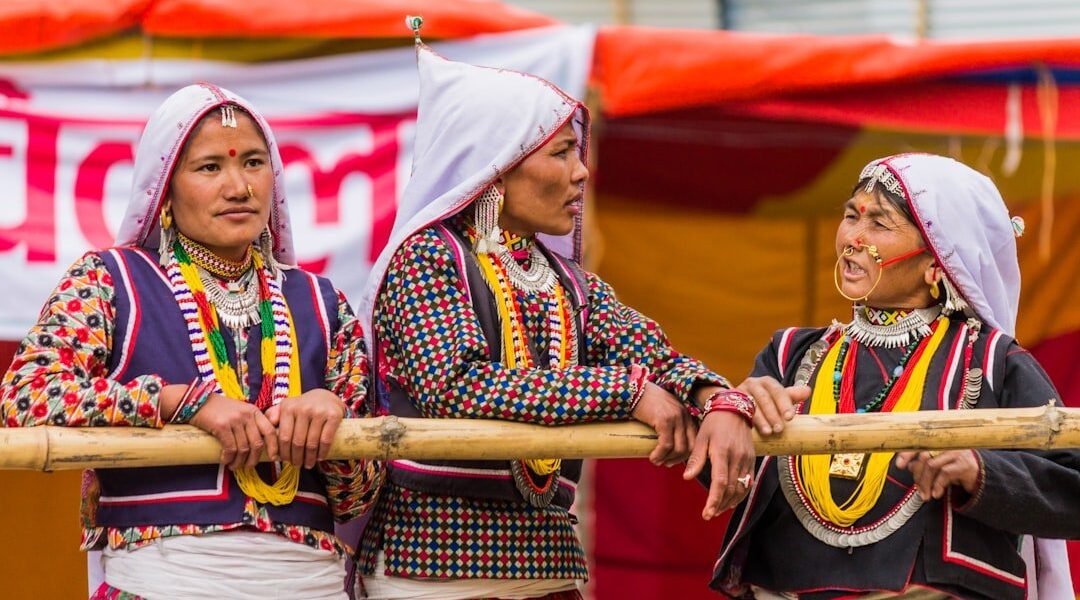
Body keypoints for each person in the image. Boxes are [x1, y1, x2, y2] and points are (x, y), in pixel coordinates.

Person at [351, 31, 756, 600]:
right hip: (433, 567)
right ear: (498, 167)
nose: (582, 172)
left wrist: (716, 399)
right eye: (561, 153)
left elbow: (653, 357)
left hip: (549, 568)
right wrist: (626, 392)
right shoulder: (428, 258)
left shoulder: (568, 282)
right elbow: (457, 387)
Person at [0, 84, 383, 600]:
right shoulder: (110, 282)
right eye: (209, 168)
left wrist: (331, 417)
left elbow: (358, 495)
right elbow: (24, 399)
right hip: (162, 584)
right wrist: (177, 403)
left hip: (307, 585)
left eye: (253, 163)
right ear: (165, 188)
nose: (238, 187)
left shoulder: (322, 303)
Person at [697, 153, 1080, 599]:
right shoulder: (789, 354)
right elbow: (723, 476)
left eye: (879, 223)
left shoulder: (991, 361)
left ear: (937, 262)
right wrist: (731, 413)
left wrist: (982, 471)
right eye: (850, 216)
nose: (853, 238)